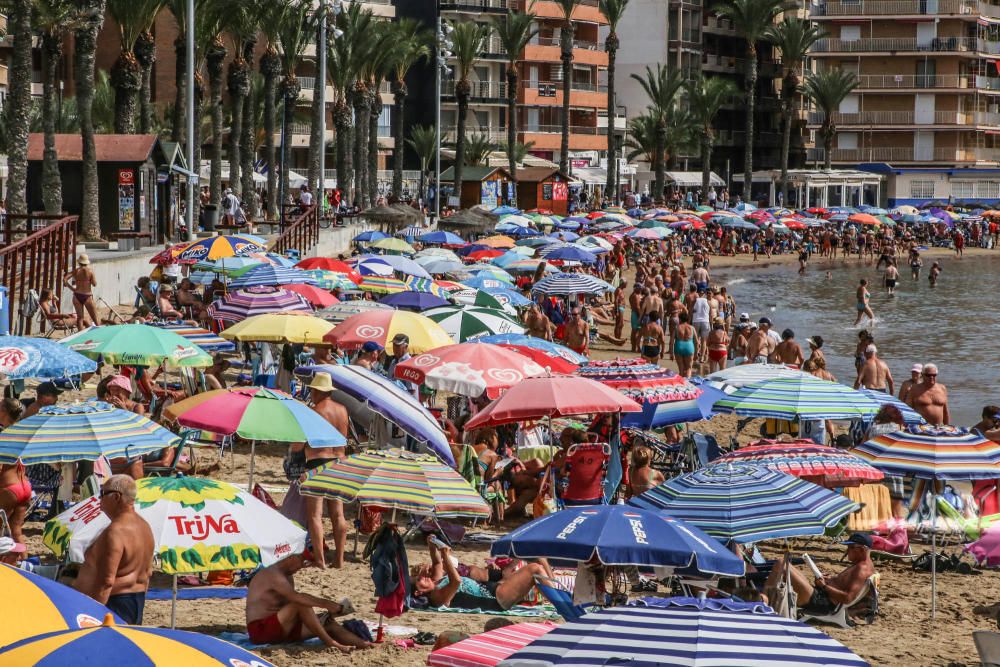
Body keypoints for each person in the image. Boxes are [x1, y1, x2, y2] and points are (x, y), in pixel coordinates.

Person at [245, 548, 371, 651]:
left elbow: (289, 609)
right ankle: (331, 643)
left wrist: (322, 616)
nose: (302, 566)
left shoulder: (287, 577)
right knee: (300, 603)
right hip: (260, 631)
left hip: (282, 628)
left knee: (327, 622)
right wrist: (326, 604)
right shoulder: (272, 573)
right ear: (290, 557)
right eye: (302, 560)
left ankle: (365, 645)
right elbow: (297, 599)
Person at [75, 475, 154, 624]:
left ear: (116, 497)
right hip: (135, 600)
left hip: (113, 604)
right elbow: (148, 572)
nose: (100, 499)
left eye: (103, 494)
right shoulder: (145, 526)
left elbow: (106, 581)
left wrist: (93, 615)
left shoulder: (116, 531)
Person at [411, 539, 552, 612]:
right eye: (419, 580)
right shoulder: (437, 597)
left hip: (495, 588)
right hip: (496, 600)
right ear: (419, 592)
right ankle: (561, 602)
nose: (423, 577)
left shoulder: (436, 582)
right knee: (535, 569)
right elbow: (456, 581)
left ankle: (559, 596)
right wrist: (446, 556)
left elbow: (436, 562)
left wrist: (431, 543)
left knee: (536, 559)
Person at [764, 532, 875, 617]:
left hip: (821, 603)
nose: (847, 551)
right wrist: (830, 580)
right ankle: (764, 600)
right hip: (822, 597)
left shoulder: (861, 569)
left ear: (862, 549)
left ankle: (763, 602)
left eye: (851, 548)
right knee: (786, 566)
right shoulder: (862, 565)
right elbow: (846, 586)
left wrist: (824, 586)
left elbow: (848, 598)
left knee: (781, 564)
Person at [303, 372, 350, 569]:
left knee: (315, 514)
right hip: (339, 461)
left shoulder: (314, 411)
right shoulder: (343, 410)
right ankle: (339, 559)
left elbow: (304, 441)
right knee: (338, 514)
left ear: (317, 391)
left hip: (317, 461)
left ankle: (321, 560)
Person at [0, 398, 29, 544]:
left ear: (4, 411)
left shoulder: (4, 436)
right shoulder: (22, 434)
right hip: (25, 486)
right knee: (16, 529)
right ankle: (23, 565)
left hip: (9, 487)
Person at [64, 254, 98, 329]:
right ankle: (101, 335)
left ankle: (80, 335)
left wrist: (72, 288)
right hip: (87, 295)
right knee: (95, 319)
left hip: (77, 295)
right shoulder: (90, 271)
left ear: (79, 262)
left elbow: (65, 279)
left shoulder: (76, 271)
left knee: (80, 318)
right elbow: (94, 284)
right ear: (87, 262)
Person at [673, 312, 696, 378]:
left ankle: (682, 384)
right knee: (689, 368)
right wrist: (696, 352)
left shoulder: (677, 328)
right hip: (689, 347)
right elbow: (696, 341)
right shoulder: (692, 328)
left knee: (681, 369)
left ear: (680, 319)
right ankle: (688, 383)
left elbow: (671, 341)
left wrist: (671, 353)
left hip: (679, 346)